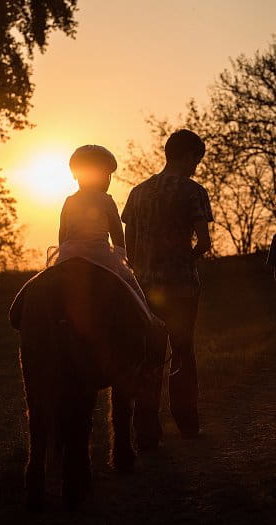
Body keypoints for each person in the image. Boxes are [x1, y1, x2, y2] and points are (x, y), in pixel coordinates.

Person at [122, 129, 213, 444]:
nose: (195, 168)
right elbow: (204, 241)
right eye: (196, 160)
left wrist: (142, 267)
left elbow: (127, 245)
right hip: (182, 287)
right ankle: (187, 424)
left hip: (145, 288)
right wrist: (185, 257)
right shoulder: (193, 191)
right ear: (188, 155)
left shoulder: (137, 193)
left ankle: (146, 431)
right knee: (182, 352)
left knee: (149, 356)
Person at [50, 144, 151, 319]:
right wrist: (127, 263)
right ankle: (150, 323)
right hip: (101, 256)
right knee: (137, 296)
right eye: (107, 174)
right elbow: (118, 239)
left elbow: (62, 237)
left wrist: (63, 256)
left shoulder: (69, 201)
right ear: (103, 176)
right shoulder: (106, 200)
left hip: (68, 256)